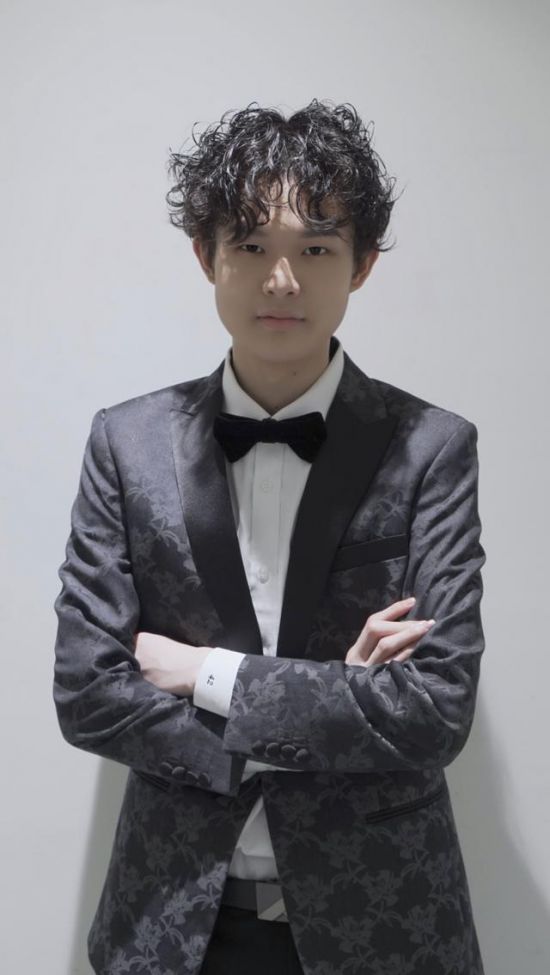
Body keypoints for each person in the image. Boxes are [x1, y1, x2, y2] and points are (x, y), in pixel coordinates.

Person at [53, 99, 486, 974]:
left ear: (362, 264)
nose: (281, 280)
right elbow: (87, 691)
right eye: (251, 245)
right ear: (205, 255)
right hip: (172, 920)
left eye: (316, 249)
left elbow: (436, 710)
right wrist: (336, 701)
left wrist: (203, 674)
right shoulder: (126, 444)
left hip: (385, 921)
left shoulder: (433, 448)